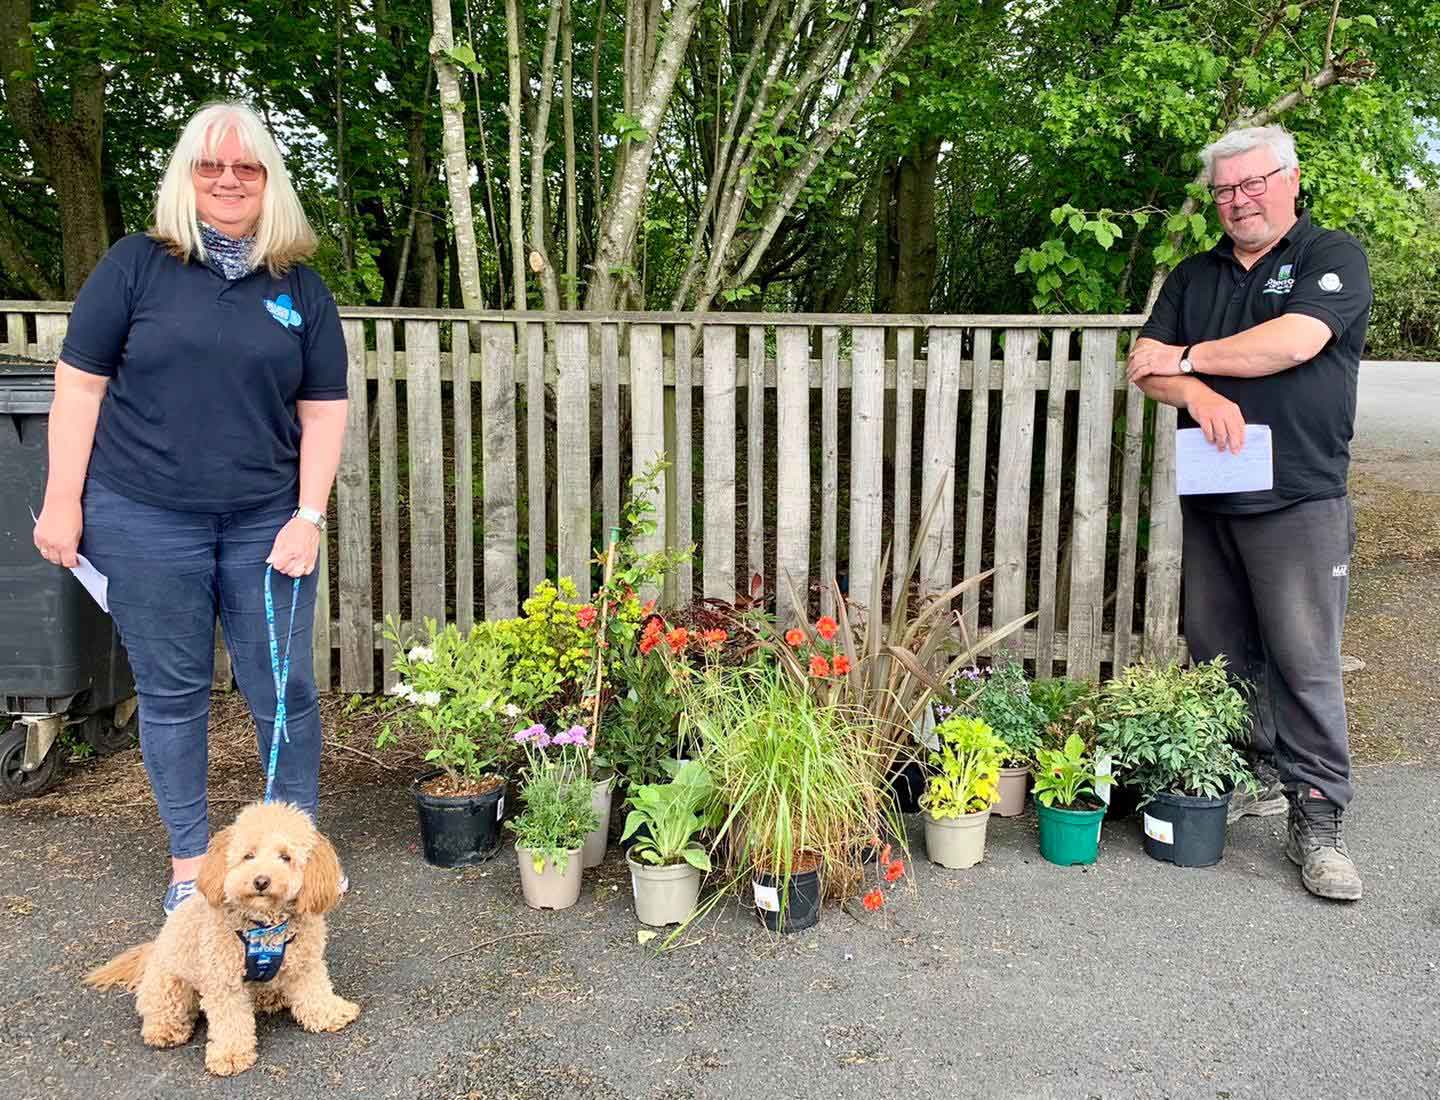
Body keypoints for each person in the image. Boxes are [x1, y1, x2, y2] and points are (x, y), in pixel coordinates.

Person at [31, 101, 350, 913]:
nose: (229, 180)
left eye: (247, 167)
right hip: (144, 516)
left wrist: (307, 515)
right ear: (187, 176)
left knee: (283, 693)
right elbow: (79, 386)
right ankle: (188, 869)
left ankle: (295, 861)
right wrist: (61, 501)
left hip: (265, 522)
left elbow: (323, 411)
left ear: (270, 180)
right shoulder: (135, 266)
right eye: (211, 166)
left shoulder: (300, 289)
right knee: (173, 695)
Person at [1126, 125, 1371, 901]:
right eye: (1225, 190)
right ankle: (1243, 775)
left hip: (1300, 493)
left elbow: (1293, 343)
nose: (1238, 201)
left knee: (1304, 660)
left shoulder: (1331, 257)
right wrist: (1192, 391)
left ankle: (1319, 819)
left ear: (1289, 180)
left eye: (1252, 183)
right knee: (1219, 653)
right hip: (1213, 493)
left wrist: (1191, 359)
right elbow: (1144, 363)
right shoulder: (1194, 277)